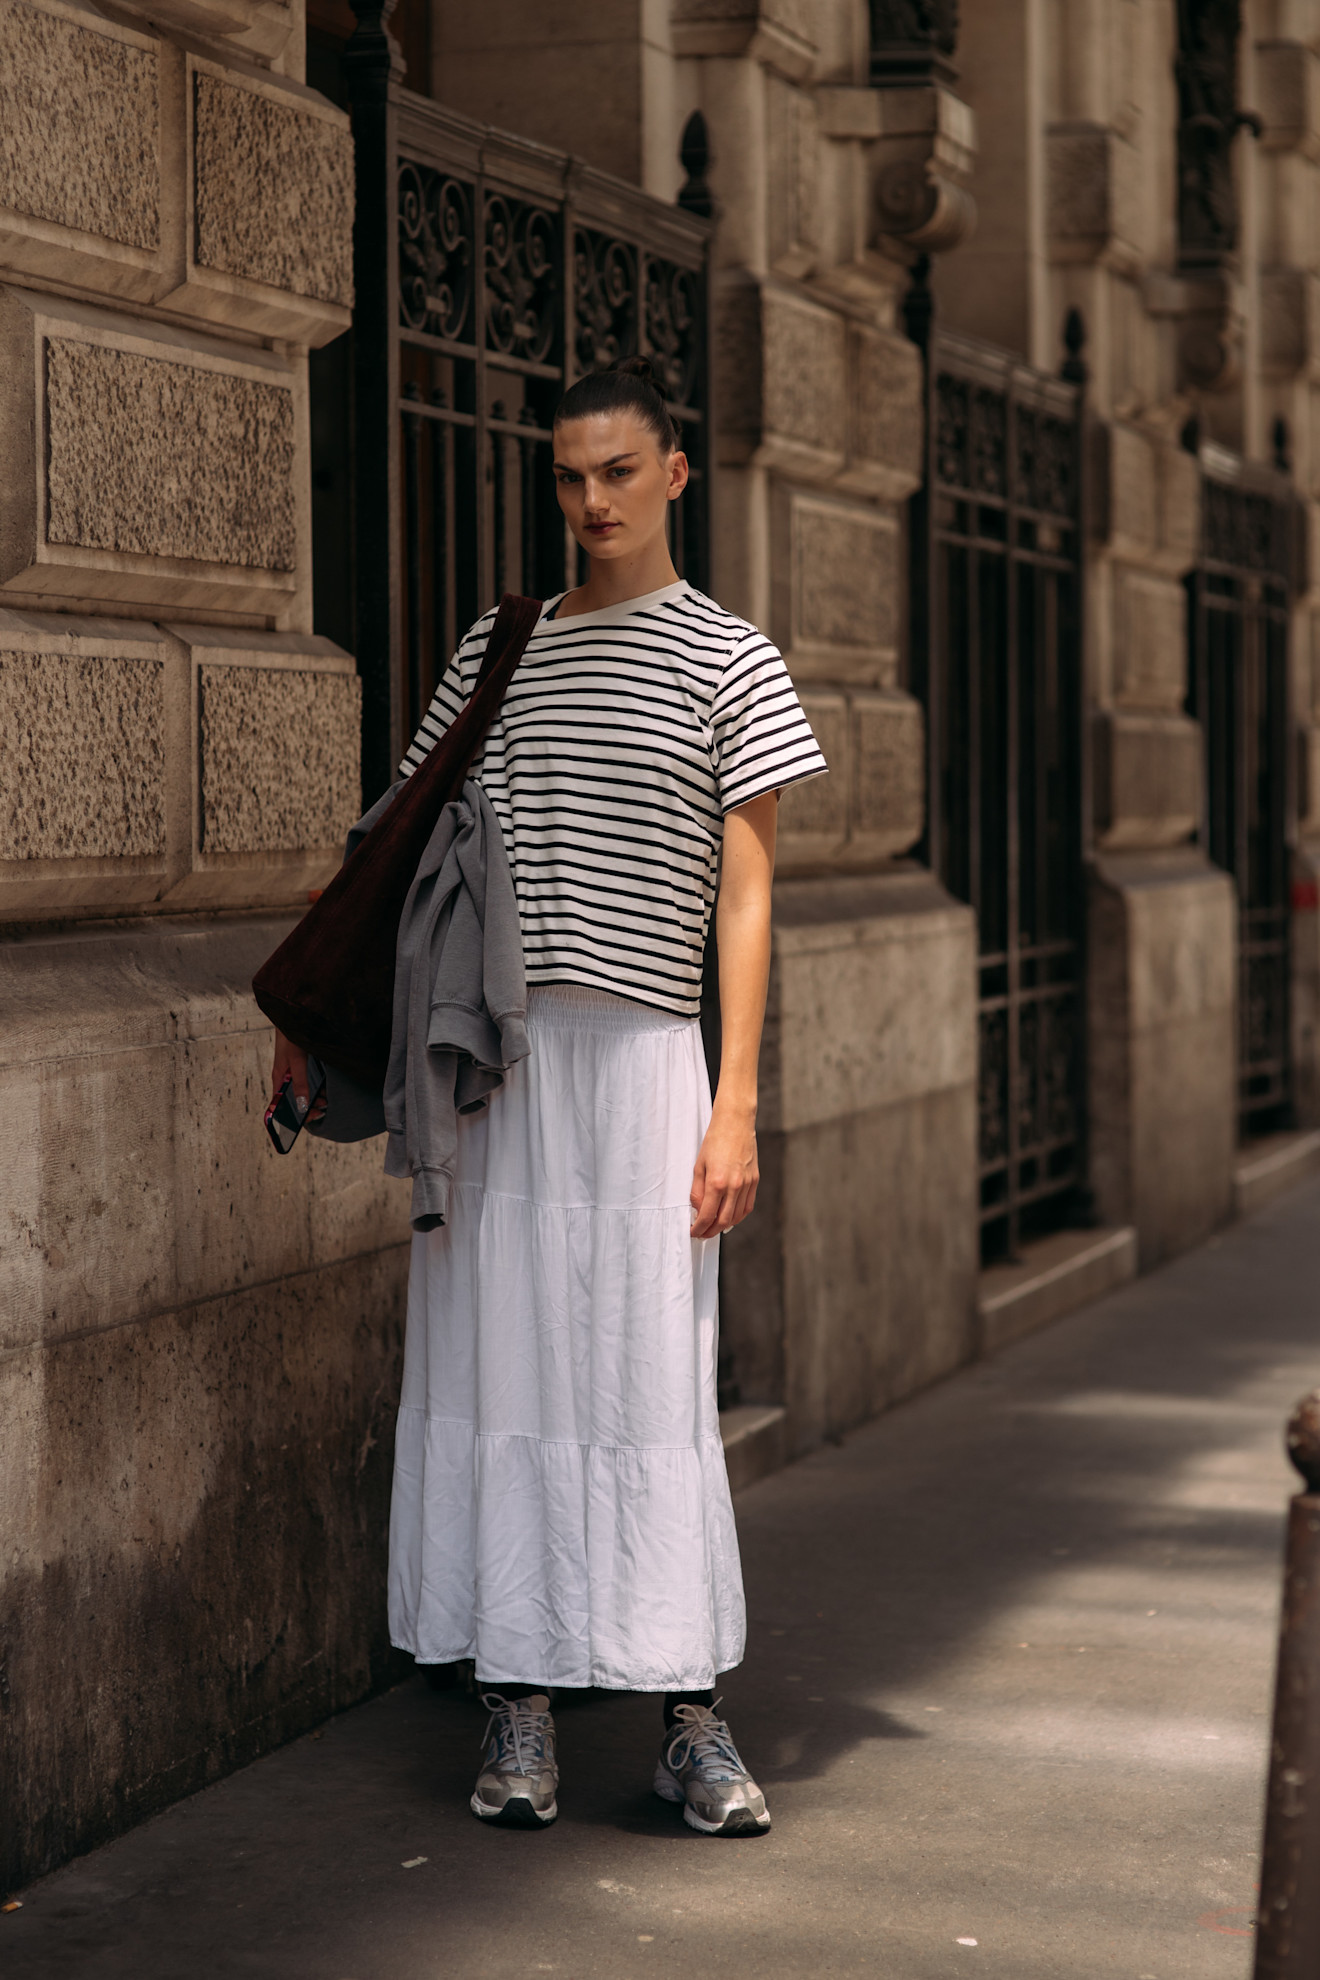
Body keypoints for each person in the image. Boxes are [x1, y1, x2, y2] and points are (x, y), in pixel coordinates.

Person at [272, 355, 826, 1837]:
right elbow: (395, 841)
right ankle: (517, 1705)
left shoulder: (732, 658)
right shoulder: (501, 646)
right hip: (492, 1065)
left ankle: (687, 1718)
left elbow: (749, 900)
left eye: (617, 473)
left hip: (649, 1060)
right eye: (570, 475)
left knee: (648, 1381)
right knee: (504, 1373)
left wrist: (737, 1103)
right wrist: (312, 1016)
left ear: (676, 473)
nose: (590, 500)